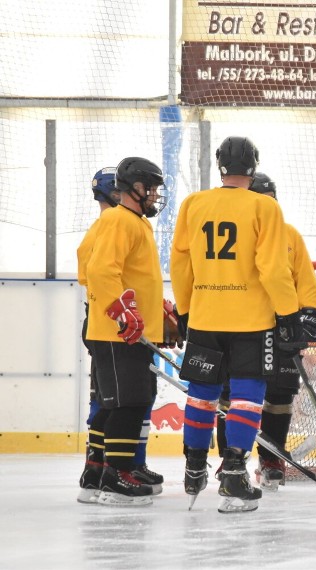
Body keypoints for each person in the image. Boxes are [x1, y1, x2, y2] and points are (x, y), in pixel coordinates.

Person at [171, 138, 307, 513]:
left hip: (205, 317)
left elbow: (180, 263)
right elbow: (273, 268)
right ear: (253, 165)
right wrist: (288, 315)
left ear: (220, 166)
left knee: (201, 394)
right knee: (247, 397)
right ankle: (233, 474)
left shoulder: (193, 204)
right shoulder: (264, 207)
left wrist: (185, 310)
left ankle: (194, 467)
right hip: (250, 322)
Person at [212, 172, 316, 491]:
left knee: (280, 394)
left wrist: (310, 314)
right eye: (264, 201)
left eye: (273, 201)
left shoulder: (289, 235)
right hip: (242, 325)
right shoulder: (235, 234)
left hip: (282, 325)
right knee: (232, 396)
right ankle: (230, 460)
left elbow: (305, 278)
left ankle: (271, 459)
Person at [83, 157, 167, 506]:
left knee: (121, 400)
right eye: (152, 189)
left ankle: (101, 471)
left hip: (128, 331)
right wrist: (122, 311)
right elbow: (101, 271)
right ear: (136, 188)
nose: (155, 196)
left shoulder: (132, 222)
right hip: (118, 332)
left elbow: (133, 276)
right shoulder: (119, 220)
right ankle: (116, 477)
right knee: (128, 402)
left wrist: (160, 311)